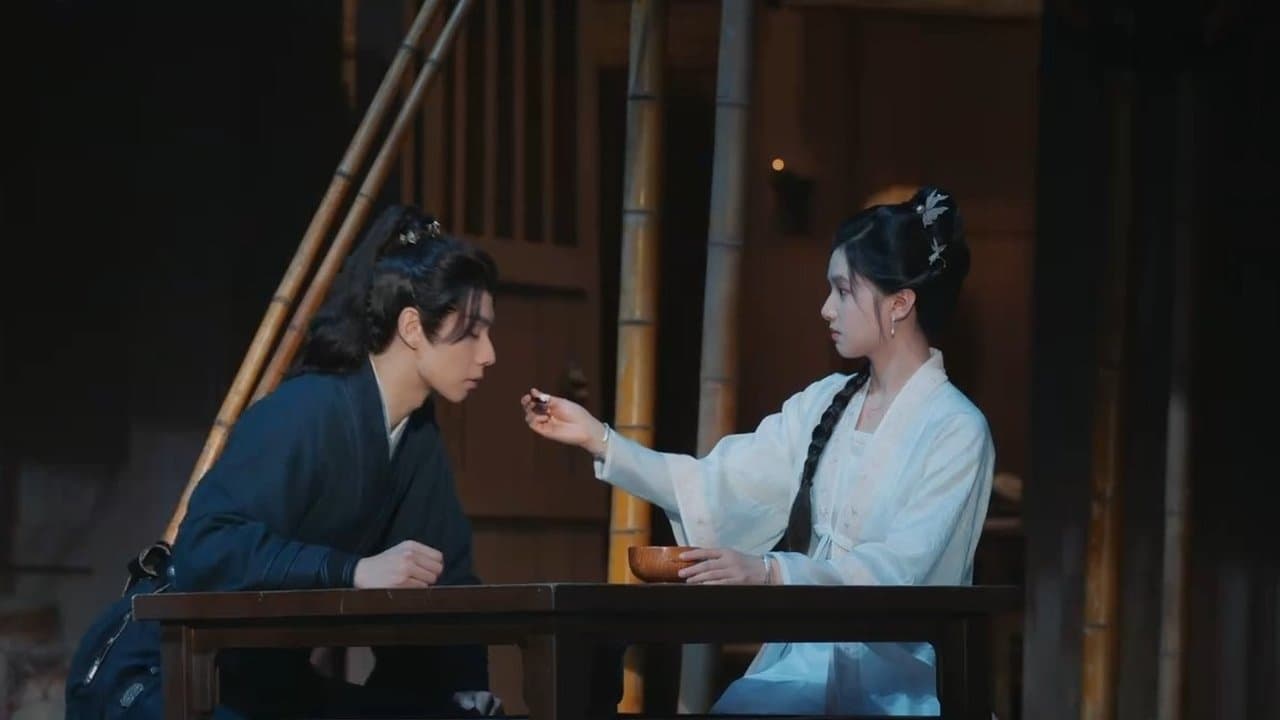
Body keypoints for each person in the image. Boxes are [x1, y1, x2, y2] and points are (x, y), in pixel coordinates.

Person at [520, 186, 994, 716]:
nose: (826, 309)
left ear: (899, 304)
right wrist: (600, 439)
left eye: (842, 291)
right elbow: (719, 485)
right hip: (802, 667)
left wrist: (772, 571)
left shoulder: (956, 429)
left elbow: (899, 571)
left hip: (901, 684)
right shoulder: (825, 403)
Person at [171, 204, 501, 718]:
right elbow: (206, 545)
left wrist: (464, 686)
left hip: (274, 685)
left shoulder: (416, 434)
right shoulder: (306, 410)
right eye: (473, 331)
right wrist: (352, 570)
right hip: (183, 677)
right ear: (412, 327)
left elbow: (446, 574)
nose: (488, 354)